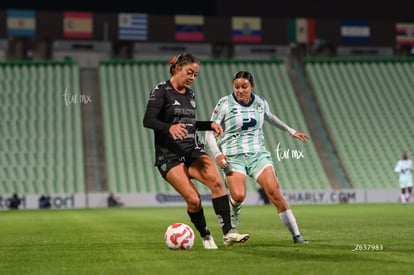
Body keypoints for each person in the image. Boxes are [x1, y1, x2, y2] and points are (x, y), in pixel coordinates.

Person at [142, 53, 249, 249]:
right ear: (177, 69)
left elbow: (189, 124)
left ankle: (228, 234)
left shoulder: (190, 95)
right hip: (169, 155)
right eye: (189, 72)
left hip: (192, 149)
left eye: (195, 75)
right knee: (193, 199)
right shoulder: (162, 90)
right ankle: (205, 235)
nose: (192, 78)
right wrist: (169, 127)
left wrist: (210, 124)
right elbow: (147, 120)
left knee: (217, 182)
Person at [206, 71, 309, 244]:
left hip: (258, 155)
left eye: (244, 87)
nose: (240, 90)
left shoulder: (260, 102)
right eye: (236, 87)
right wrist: (217, 154)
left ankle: (297, 236)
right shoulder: (224, 103)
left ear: (252, 86)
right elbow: (209, 131)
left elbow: (270, 117)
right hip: (233, 157)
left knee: (275, 193)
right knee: (238, 196)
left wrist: (291, 131)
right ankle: (233, 224)